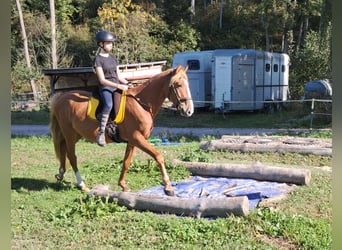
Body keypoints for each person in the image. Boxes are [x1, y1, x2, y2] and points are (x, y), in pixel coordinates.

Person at [94, 30, 130, 147]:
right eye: (108, 43)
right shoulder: (98, 59)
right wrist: (119, 85)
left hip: (117, 85)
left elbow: (119, 75)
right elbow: (102, 80)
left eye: (111, 43)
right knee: (108, 105)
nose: (111, 45)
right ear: (101, 44)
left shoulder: (113, 58)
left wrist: (128, 83)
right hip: (106, 88)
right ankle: (101, 133)